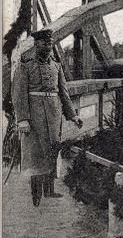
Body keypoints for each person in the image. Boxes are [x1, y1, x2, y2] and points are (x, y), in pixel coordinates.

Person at [12, 29, 82, 206]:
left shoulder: (56, 65)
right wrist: (23, 120)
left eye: (50, 43)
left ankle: (50, 190)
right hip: (34, 117)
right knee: (36, 154)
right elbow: (19, 95)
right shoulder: (25, 65)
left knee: (53, 150)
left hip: (54, 114)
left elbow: (64, 94)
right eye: (45, 43)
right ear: (37, 44)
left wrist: (73, 116)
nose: (49, 46)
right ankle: (35, 195)